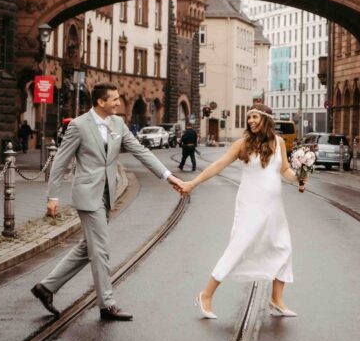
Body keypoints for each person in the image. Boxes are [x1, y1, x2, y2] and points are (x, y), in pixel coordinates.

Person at [31, 83, 185, 321]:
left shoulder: (117, 124)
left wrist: (168, 176)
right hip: (87, 195)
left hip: (107, 193)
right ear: (101, 102)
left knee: (88, 248)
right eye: (114, 100)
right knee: (100, 250)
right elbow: (60, 162)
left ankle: (46, 287)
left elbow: (140, 151)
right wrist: (53, 196)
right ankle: (107, 304)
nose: (118, 103)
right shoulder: (79, 126)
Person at [175, 103, 301, 320]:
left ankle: (276, 299)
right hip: (251, 205)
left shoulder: (278, 142)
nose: (251, 121)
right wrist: (192, 183)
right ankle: (206, 294)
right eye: (249, 117)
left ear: (266, 119)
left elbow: (284, 170)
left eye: (255, 117)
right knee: (239, 248)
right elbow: (218, 165)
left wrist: (300, 176)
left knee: (283, 247)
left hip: (274, 208)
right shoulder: (243, 144)